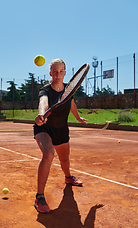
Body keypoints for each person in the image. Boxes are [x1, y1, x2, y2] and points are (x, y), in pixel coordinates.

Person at [33, 58, 87, 213]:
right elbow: (43, 102)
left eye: (60, 71)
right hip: (45, 129)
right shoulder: (45, 90)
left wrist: (77, 117)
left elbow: (71, 104)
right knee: (48, 154)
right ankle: (39, 196)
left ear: (64, 73)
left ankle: (68, 177)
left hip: (62, 130)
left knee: (64, 159)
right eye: (54, 71)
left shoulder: (68, 90)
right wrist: (41, 114)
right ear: (50, 73)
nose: (57, 74)